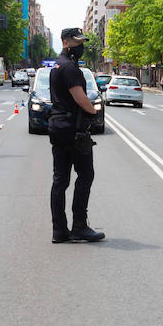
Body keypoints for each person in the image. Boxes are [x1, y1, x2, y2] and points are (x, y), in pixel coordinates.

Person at [48, 28, 106, 244]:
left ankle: (59, 231)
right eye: (76, 41)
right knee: (85, 175)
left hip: (58, 126)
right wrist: (94, 111)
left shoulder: (57, 65)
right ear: (65, 42)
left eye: (81, 41)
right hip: (73, 128)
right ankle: (79, 226)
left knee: (60, 180)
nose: (80, 45)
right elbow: (80, 97)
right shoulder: (70, 68)